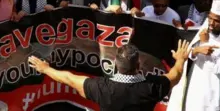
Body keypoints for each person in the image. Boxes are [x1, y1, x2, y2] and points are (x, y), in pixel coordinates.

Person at [28, 40, 191, 111]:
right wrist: (180, 59)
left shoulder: (101, 88)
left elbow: (69, 78)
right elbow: (175, 75)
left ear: (114, 64)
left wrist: (45, 69)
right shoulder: (153, 86)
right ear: (138, 66)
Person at [167, 0, 220, 111]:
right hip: (195, 82)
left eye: (216, 21)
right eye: (210, 18)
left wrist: (205, 44)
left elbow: (218, 69)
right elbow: (190, 53)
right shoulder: (205, 29)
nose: (211, 23)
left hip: (212, 88)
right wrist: (196, 50)